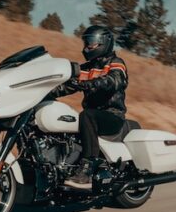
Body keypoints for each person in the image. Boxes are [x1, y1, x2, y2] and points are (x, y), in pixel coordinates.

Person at [51, 25, 128, 190]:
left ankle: (88, 169)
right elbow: (67, 87)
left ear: (104, 43)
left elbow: (113, 81)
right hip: (93, 117)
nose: (86, 48)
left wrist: (88, 84)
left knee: (86, 115)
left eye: (90, 44)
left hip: (112, 116)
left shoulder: (116, 63)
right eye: (85, 43)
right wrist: (45, 93)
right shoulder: (86, 68)